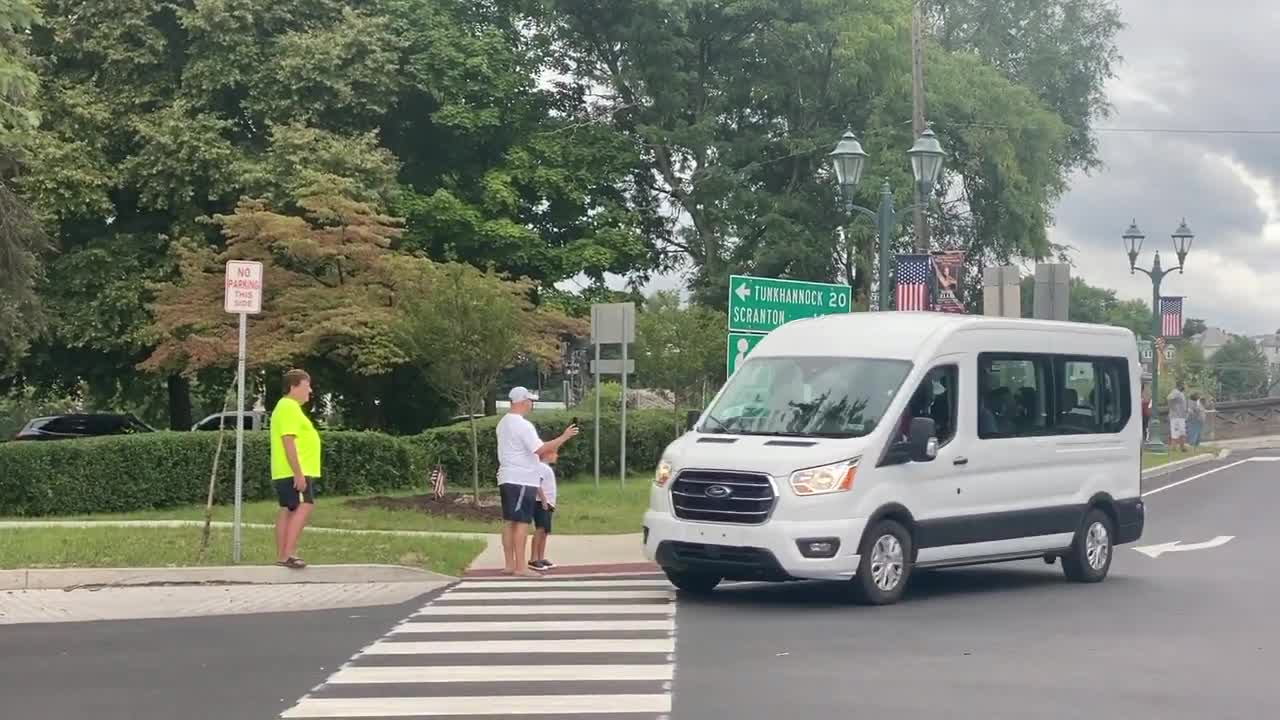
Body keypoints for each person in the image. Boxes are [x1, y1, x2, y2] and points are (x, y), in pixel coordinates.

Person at [496, 387, 578, 576]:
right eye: (530, 400)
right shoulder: (522, 425)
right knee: (522, 522)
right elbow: (540, 450)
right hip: (522, 478)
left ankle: (510, 564)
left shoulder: (503, 423)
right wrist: (564, 437)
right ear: (523, 402)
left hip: (507, 476)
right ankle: (520, 567)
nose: (531, 404)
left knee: (509, 521)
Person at [271, 369, 320, 569]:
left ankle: (283, 556)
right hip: (295, 470)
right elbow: (288, 440)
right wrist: (298, 473)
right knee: (303, 506)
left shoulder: (286, 408)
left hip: (288, 470)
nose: (309, 391)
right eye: (306, 386)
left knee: (289, 510)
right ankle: (289, 554)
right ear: (293, 387)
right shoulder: (289, 407)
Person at [529, 450, 559, 571]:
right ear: (547, 455)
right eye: (554, 453)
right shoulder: (541, 467)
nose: (557, 456)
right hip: (540, 503)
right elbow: (537, 484)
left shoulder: (546, 468)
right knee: (540, 529)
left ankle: (541, 558)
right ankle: (533, 559)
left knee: (545, 531)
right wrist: (544, 500)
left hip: (548, 504)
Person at [1167, 382, 1189, 452]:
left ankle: (1182, 447)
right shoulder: (1176, 392)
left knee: (1182, 432)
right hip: (1176, 417)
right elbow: (1169, 398)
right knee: (1175, 432)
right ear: (1179, 386)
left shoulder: (1180, 393)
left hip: (1181, 416)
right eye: (1183, 385)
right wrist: (1172, 408)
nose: (1184, 387)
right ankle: (1174, 448)